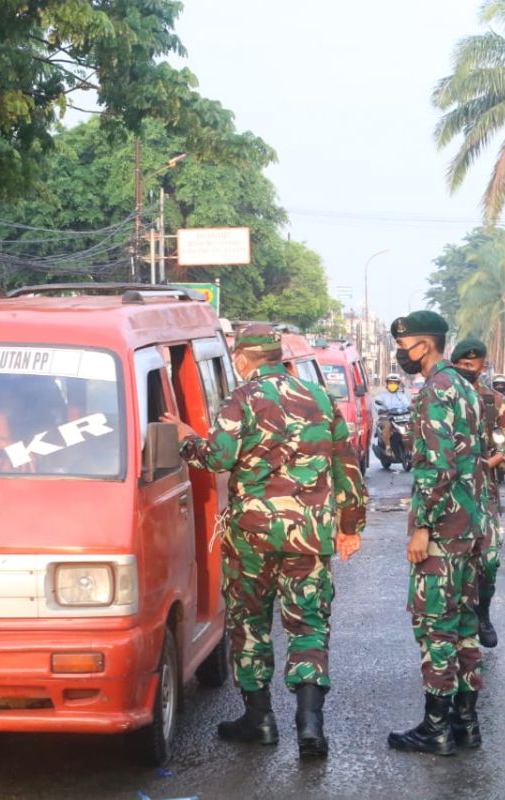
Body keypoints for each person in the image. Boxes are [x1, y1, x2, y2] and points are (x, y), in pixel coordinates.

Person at [162, 323, 367, 760]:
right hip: (309, 536)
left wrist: (183, 437)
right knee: (309, 624)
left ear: (242, 359)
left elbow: (216, 456)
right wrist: (351, 525)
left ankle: (260, 721)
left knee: (250, 623)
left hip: (253, 535)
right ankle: (310, 725)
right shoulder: (319, 398)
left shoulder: (243, 399)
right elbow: (347, 467)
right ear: (278, 356)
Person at [387, 310, 488, 757]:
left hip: (444, 530)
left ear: (423, 345)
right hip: (472, 527)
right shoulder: (466, 387)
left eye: (403, 345)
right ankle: (466, 723)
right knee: (465, 624)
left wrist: (422, 527)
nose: (400, 354)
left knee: (435, 626)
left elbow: (437, 467)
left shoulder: (435, 391)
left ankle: (436, 727)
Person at [451, 338, 505, 648]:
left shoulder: (495, 401)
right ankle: (454, 626)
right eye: (463, 365)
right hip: (449, 495)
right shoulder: (441, 397)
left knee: (489, 560)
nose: (469, 369)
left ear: (482, 367)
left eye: (473, 365)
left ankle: (483, 613)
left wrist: (495, 458)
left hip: (484, 495)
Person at [374, 372, 412, 455]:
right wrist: (381, 410)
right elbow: (377, 405)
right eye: (391, 383)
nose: (393, 385)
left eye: (395, 383)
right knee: (387, 426)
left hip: (400, 418)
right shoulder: (382, 396)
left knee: (411, 426)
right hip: (386, 418)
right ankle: (388, 447)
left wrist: (410, 408)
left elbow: (407, 405)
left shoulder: (401, 396)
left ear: (398, 385)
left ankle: (411, 447)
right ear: (387, 384)